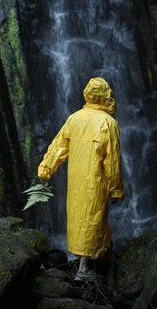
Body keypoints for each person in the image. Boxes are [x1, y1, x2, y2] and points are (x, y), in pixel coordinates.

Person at [37, 77, 124, 282]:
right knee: (93, 217)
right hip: (95, 180)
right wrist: (116, 189)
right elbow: (112, 161)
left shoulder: (74, 118)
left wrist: (45, 170)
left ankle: (87, 260)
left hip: (76, 180)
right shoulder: (108, 123)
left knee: (79, 218)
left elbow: (58, 146)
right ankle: (84, 270)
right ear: (106, 95)